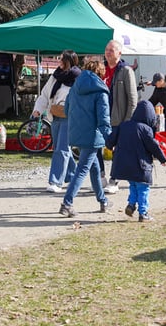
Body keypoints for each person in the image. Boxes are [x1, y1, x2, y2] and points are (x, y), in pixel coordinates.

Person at [60, 59, 112, 218]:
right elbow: (103, 119)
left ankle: (103, 201)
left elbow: (66, 110)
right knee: (82, 169)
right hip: (92, 135)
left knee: (94, 168)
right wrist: (110, 139)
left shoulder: (75, 87)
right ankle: (67, 203)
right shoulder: (100, 91)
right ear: (101, 73)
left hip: (77, 132)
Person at [105, 101, 166, 222]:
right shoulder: (146, 129)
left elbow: (110, 140)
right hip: (141, 165)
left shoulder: (123, 125)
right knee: (143, 188)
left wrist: (110, 145)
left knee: (133, 185)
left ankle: (131, 204)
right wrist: (162, 159)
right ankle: (143, 213)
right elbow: (153, 146)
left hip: (124, 165)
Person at [33, 50, 80, 193]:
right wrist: (38, 109)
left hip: (70, 118)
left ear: (69, 61)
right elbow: (45, 94)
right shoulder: (55, 76)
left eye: (61, 59)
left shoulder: (78, 77)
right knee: (60, 148)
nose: (58, 61)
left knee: (62, 149)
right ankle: (73, 176)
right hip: (55, 116)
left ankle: (56, 182)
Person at [102, 39, 138, 194]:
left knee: (118, 151)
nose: (108, 52)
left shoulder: (126, 71)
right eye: (106, 49)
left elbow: (133, 99)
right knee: (95, 148)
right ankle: (101, 178)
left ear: (120, 53)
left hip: (118, 119)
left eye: (112, 50)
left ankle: (114, 180)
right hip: (101, 118)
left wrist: (127, 121)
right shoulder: (101, 69)